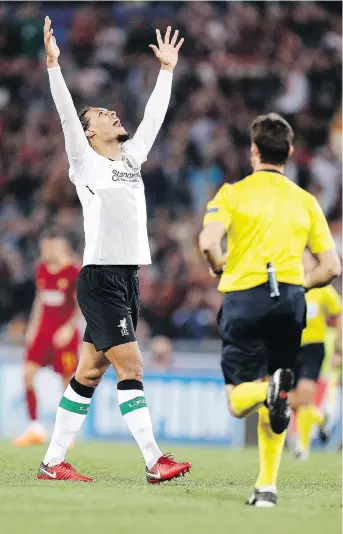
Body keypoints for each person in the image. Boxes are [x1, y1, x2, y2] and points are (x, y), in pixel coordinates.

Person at [38, 16, 190, 483]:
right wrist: (53, 66)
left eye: (110, 111)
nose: (112, 114)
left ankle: (52, 462)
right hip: (101, 277)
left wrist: (166, 71)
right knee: (132, 364)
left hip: (127, 277)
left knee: (88, 373)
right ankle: (154, 460)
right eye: (101, 114)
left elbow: (154, 117)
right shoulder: (83, 162)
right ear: (88, 133)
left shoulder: (130, 157)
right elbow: (67, 113)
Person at [199, 112, 341, 507]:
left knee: (240, 398)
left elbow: (208, 242)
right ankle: (266, 488)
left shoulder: (232, 194)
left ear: (253, 151)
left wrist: (217, 266)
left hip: (245, 299)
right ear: (290, 152)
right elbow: (332, 267)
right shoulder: (306, 201)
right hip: (290, 304)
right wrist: (299, 285)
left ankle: (267, 393)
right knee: (278, 388)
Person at [13, 227, 80, 447]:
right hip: (43, 331)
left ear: (59, 247)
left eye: (47, 247)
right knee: (27, 374)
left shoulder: (74, 273)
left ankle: (66, 432)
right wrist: (33, 327)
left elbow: (83, 305)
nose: (43, 251)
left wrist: (70, 327)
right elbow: (40, 300)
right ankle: (35, 428)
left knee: (67, 382)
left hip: (64, 334)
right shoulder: (41, 269)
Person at [290, 249, 342, 460]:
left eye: (306, 258)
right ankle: (320, 420)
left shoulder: (322, 290)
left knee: (303, 395)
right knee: (295, 403)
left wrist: (339, 348)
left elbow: (338, 315)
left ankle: (303, 447)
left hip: (313, 348)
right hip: (290, 348)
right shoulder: (289, 288)